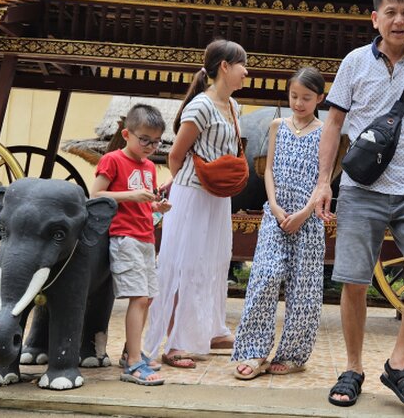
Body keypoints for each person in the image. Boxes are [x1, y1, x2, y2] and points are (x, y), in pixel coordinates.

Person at [311, 0, 404, 411]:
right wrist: (324, 182)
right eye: (390, 12)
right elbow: (334, 124)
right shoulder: (354, 62)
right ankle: (353, 368)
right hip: (361, 189)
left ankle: (398, 364)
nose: (398, 20)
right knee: (355, 280)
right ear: (375, 19)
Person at [144, 39, 246, 369]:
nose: (246, 72)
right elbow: (175, 156)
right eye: (242, 65)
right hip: (192, 194)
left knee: (215, 261)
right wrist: (186, 185)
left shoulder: (234, 106)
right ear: (225, 67)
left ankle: (211, 329)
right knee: (185, 264)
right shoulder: (200, 106)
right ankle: (176, 342)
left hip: (218, 195)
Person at [231, 67, 327, 380]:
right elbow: (269, 169)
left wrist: (304, 213)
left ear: (319, 98)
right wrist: (273, 205)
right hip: (275, 216)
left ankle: (293, 355)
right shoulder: (277, 126)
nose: (298, 103)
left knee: (304, 288)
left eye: (306, 98)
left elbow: (323, 179)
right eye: (294, 96)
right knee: (265, 277)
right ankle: (254, 352)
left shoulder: (326, 132)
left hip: (308, 220)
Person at [90, 103, 171, 386]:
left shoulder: (149, 166)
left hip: (146, 237)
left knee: (148, 298)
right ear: (127, 134)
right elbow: (95, 195)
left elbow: (144, 205)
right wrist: (131, 195)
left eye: (156, 141)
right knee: (138, 298)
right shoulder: (112, 160)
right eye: (144, 140)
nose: (150, 147)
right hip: (125, 238)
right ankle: (134, 363)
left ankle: (130, 352)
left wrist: (157, 207)